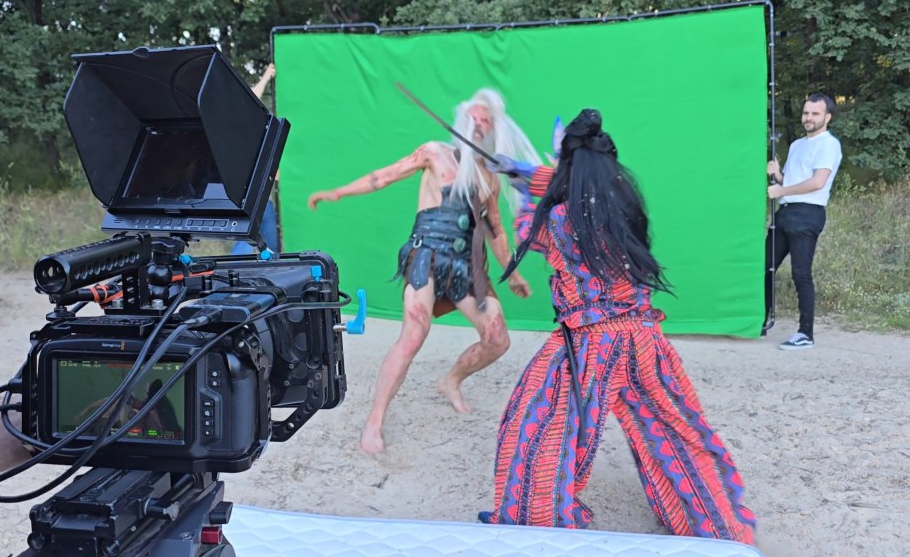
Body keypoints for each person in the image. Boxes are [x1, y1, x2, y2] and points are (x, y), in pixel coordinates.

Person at [480, 109, 757, 544]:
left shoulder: (559, 219)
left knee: (538, 423)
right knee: (673, 429)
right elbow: (568, 190)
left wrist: (518, 179)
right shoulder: (624, 205)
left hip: (590, 343)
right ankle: (719, 526)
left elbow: (532, 226)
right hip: (643, 339)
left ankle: (535, 522)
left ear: (568, 167)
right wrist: (523, 171)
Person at [308, 88, 538, 455]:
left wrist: (512, 272)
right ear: (463, 119)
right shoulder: (435, 153)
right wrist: (338, 192)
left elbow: (495, 229)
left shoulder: (489, 178)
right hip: (426, 256)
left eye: (486, 120)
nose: (479, 124)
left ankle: (451, 380)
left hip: (465, 264)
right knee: (414, 334)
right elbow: (384, 176)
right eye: (475, 117)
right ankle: (375, 421)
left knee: (497, 339)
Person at [763, 93, 842, 349]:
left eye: (815, 114)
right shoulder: (797, 145)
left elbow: (817, 182)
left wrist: (781, 190)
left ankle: (805, 333)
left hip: (808, 214)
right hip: (786, 212)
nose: (809, 118)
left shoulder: (828, 144)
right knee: (765, 266)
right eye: (806, 113)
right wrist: (778, 175)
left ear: (827, 117)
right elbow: (792, 180)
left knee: (800, 273)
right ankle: (761, 318)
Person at [233, 62, 281, 255]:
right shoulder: (234, 131)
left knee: (271, 248)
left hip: (263, 201)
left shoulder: (256, 135)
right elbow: (250, 99)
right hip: (247, 202)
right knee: (244, 246)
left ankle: (273, 268)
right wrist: (266, 76)